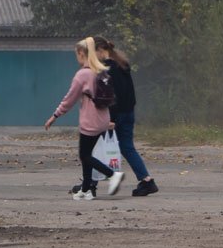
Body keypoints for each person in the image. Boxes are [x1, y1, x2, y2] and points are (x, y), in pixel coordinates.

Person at [45, 36, 125, 200]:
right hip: (103, 119)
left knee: (85, 155)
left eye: (77, 54)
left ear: (82, 53)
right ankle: (86, 190)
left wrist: (55, 115)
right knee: (87, 154)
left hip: (91, 122)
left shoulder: (83, 74)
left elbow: (69, 99)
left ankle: (112, 175)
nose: (76, 57)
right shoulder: (100, 70)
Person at [94, 36, 158, 196]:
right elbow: (129, 93)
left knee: (95, 146)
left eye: (93, 53)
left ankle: (90, 184)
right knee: (127, 147)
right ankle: (147, 181)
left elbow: (114, 96)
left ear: (101, 51)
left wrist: (112, 119)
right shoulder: (122, 65)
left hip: (115, 115)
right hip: (128, 112)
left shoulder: (108, 69)